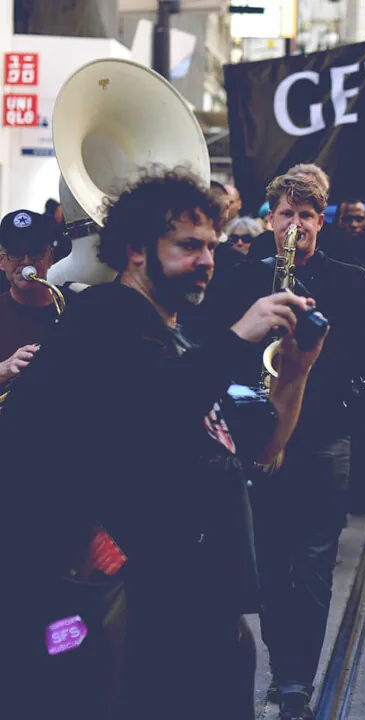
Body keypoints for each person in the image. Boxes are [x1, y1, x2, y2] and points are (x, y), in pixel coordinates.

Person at [2, 169, 325, 720]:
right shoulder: (101, 321)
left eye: (211, 247)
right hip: (125, 614)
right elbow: (151, 412)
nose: (206, 260)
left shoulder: (179, 337)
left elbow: (263, 450)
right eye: (188, 246)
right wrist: (237, 337)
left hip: (201, 610)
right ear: (134, 251)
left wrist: (295, 374)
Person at [197, 173, 365, 719]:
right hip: (259, 439)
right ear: (270, 220)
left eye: (305, 216)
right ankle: (285, 664)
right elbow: (215, 356)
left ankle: (298, 679)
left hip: (325, 433)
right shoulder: (237, 280)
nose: (294, 225)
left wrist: (315, 341)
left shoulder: (350, 280)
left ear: (320, 222)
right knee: (273, 561)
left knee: (316, 563)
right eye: (285, 215)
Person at [0, 210, 71, 388]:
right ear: (2, 262)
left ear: (50, 258)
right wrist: (5, 369)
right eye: (16, 253)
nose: (26, 261)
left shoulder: (76, 305)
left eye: (35, 251)